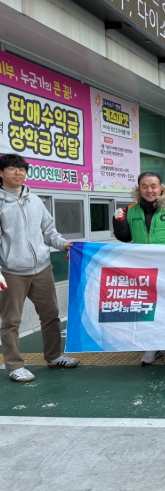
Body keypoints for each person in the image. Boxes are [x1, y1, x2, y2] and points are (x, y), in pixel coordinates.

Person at [0, 153, 79, 382]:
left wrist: (62, 244)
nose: (18, 172)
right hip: (12, 271)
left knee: (51, 314)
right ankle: (14, 365)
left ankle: (54, 356)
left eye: (22, 169)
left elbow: (48, 231)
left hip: (42, 267)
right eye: (12, 168)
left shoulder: (34, 200)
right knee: (11, 321)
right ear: (1, 173)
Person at [112, 171, 165, 365]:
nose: (149, 190)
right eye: (145, 186)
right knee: (148, 307)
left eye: (153, 186)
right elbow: (125, 237)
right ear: (138, 189)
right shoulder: (130, 210)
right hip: (142, 268)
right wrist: (118, 221)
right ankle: (152, 345)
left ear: (161, 188)